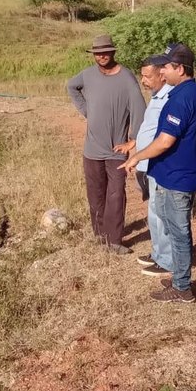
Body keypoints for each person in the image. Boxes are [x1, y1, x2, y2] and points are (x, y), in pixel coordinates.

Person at [119, 44, 196, 303]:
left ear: (180, 69)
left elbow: (164, 141)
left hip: (177, 177)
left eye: (167, 67)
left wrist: (136, 156)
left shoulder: (183, 97)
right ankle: (177, 274)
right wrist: (194, 151)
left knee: (179, 231)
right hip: (175, 172)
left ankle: (182, 287)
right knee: (168, 221)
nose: (163, 71)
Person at [68, 35, 147, 254]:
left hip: (116, 150)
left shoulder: (126, 78)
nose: (101, 56)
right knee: (95, 193)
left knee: (115, 194)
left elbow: (139, 110)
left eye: (105, 52)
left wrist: (134, 140)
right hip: (91, 149)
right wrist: (86, 110)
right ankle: (100, 234)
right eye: (97, 53)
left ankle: (114, 240)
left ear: (113, 52)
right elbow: (71, 87)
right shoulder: (87, 75)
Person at [114, 53, 175, 277]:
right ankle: (159, 254)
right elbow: (150, 128)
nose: (144, 81)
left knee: (162, 214)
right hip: (146, 163)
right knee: (153, 212)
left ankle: (167, 260)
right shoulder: (157, 96)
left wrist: (138, 155)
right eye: (142, 76)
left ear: (162, 75)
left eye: (147, 76)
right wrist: (134, 143)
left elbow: (166, 136)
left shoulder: (171, 98)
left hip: (157, 163)